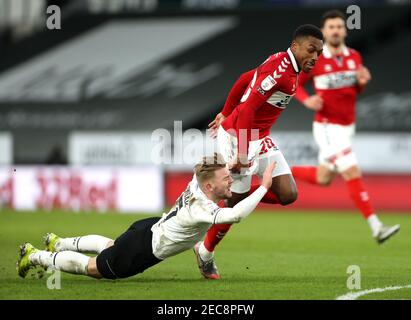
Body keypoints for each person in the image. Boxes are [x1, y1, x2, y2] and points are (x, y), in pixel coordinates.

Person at [16, 155, 276, 280]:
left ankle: (59, 243)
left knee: (111, 246)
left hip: (150, 226)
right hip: (146, 247)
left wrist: (237, 165)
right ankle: (36, 255)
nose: (230, 180)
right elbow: (236, 215)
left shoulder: (198, 183)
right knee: (95, 268)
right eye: (226, 179)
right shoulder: (202, 207)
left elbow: (216, 171)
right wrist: (263, 185)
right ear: (210, 187)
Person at [196, 25, 324, 279]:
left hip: (258, 137)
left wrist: (224, 110)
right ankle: (205, 251)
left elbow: (245, 77)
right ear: (295, 46)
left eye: (319, 53)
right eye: (312, 50)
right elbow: (247, 111)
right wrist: (242, 153)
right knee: (234, 210)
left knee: (288, 194)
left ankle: (235, 197)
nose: (315, 57)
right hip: (238, 135)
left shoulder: (284, 62)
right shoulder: (281, 73)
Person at [292, 10, 399, 244]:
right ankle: (377, 227)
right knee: (352, 170)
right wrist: (306, 100)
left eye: (339, 26)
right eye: (331, 27)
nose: (336, 30)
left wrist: (361, 84)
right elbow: (296, 82)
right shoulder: (316, 59)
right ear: (324, 32)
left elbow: (352, 90)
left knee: (323, 177)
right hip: (327, 127)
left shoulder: (355, 57)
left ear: (345, 30)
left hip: (347, 127)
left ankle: (282, 171)